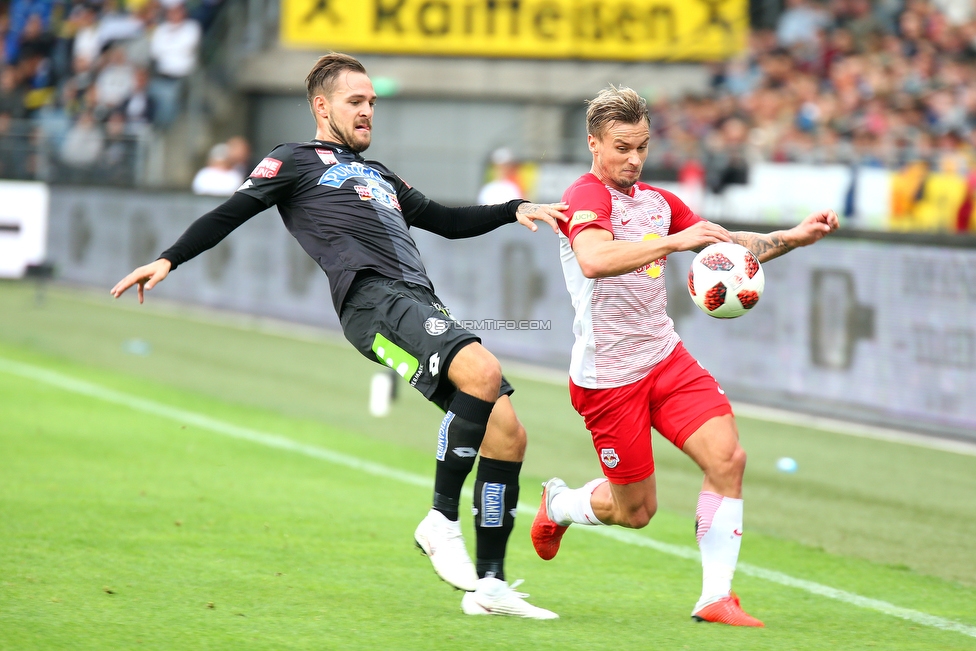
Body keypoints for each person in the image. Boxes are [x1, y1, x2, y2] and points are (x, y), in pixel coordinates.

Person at [110, 52, 567, 619]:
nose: (368, 111)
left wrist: (513, 207)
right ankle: (441, 519)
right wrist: (168, 259)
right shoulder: (293, 159)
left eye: (372, 102)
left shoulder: (381, 176)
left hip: (418, 301)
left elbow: (446, 221)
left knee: (507, 433)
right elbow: (232, 212)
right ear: (321, 106)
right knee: (483, 371)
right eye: (356, 101)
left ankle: (492, 587)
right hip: (370, 301)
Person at [530, 85, 838, 626]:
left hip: (666, 357)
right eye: (622, 147)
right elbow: (594, 259)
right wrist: (674, 243)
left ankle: (714, 597)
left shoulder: (657, 202)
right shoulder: (585, 196)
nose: (633, 159)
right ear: (594, 144)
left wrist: (791, 237)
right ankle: (559, 504)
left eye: (642, 147)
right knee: (637, 512)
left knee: (728, 458)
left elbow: (721, 245)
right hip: (609, 376)